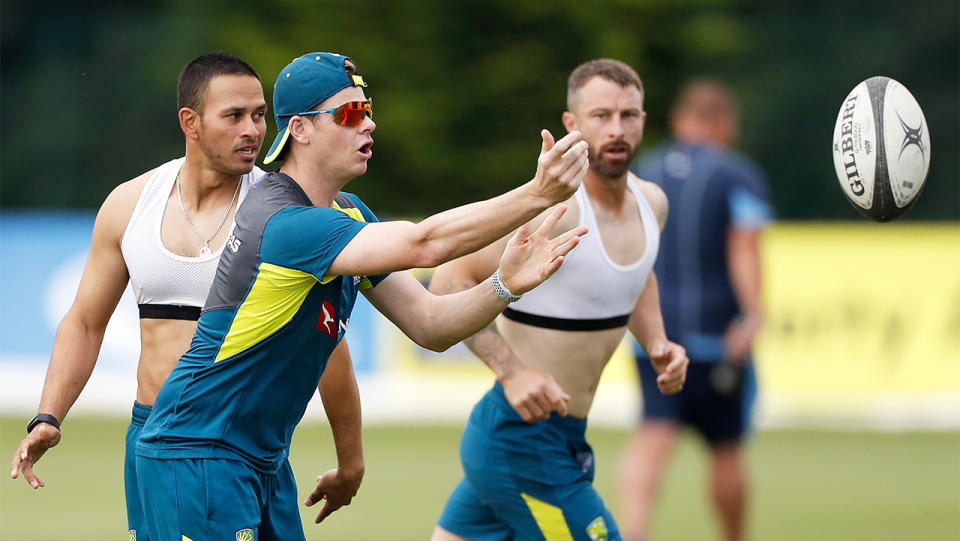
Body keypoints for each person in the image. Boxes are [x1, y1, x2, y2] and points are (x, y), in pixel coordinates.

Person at [133, 51, 590, 540]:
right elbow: (425, 244)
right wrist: (538, 194)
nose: (368, 124)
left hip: (261, 461)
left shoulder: (347, 212)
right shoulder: (286, 222)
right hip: (197, 451)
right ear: (301, 130)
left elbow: (430, 325)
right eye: (349, 114)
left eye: (368, 110)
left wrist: (503, 285)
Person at [6, 51, 358, 540]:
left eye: (259, 115)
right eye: (234, 116)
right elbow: (86, 321)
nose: (253, 130)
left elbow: (327, 343)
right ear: (190, 122)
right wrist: (49, 415)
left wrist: (351, 460)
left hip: (251, 443)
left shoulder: (283, 212)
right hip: (163, 440)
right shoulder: (131, 204)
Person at [428, 58, 689, 541]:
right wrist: (513, 372)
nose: (616, 129)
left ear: (644, 122)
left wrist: (658, 343)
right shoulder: (556, 211)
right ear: (572, 124)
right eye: (601, 116)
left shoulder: (653, 204)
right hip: (519, 435)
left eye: (628, 115)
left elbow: (638, 275)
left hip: (563, 437)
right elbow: (447, 280)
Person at [617, 79, 774, 541]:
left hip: (653, 333)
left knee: (653, 434)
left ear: (680, 120)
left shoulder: (643, 169)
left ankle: (635, 532)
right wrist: (752, 315)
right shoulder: (736, 174)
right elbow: (744, 248)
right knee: (725, 449)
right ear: (723, 124)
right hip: (715, 338)